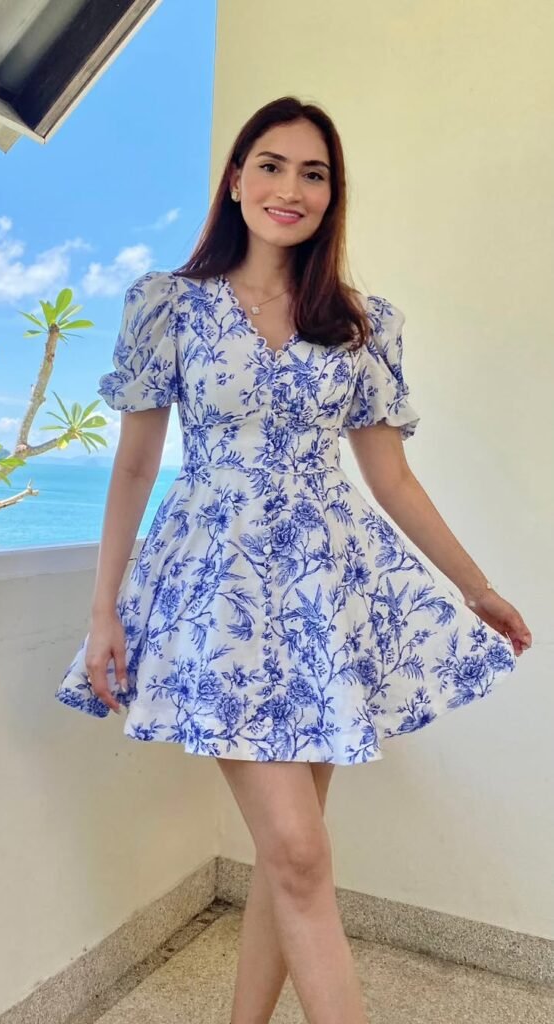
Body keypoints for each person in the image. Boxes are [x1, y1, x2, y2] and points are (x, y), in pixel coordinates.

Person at [54, 96, 533, 1024]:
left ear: (331, 196)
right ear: (234, 182)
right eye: (270, 165)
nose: (290, 188)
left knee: (293, 853)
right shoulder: (169, 305)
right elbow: (139, 463)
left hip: (325, 595)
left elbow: (390, 478)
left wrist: (474, 586)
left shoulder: (359, 322)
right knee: (302, 855)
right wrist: (103, 608)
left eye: (313, 174)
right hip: (216, 594)